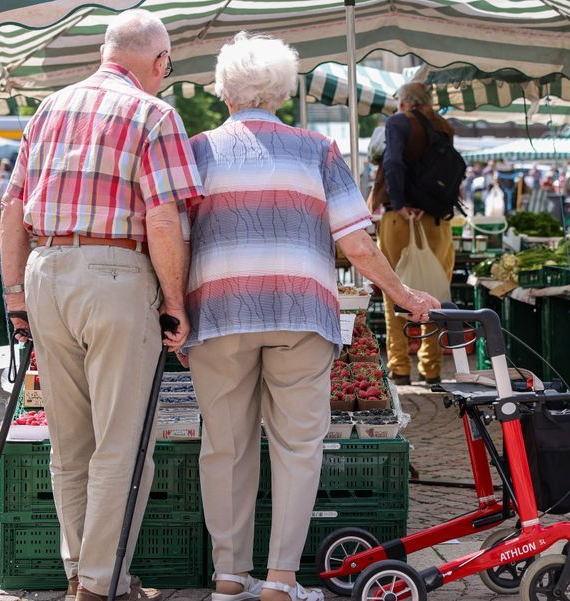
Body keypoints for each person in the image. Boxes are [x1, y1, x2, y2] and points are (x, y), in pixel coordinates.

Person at [182, 33, 440, 601]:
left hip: (219, 313)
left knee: (225, 446)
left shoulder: (196, 151)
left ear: (224, 90)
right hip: (302, 312)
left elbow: (174, 238)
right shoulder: (317, 151)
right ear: (280, 90)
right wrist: (401, 293)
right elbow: (358, 243)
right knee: (299, 447)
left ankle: (229, 577)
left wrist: (174, 307)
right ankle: (279, 581)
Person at [0, 10, 202, 601]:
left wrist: (15, 296)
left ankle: (81, 574)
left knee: (71, 443)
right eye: (168, 64)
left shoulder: (49, 107)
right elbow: (163, 217)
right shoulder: (154, 113)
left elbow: (13, 210)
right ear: (158, 61)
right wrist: (174, 301)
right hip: (114, 271)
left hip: (46, 270)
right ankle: (98, 583)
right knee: (124, 443)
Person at [375, 82, 457, 385]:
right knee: (433, 295)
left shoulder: (398, 123)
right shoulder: (444, 127)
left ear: (405, 103)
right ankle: (431, 368)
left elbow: (393, 162)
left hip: (400, 219)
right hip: (437, 222)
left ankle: (399, 367)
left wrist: (399, 202)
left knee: (393, 291)